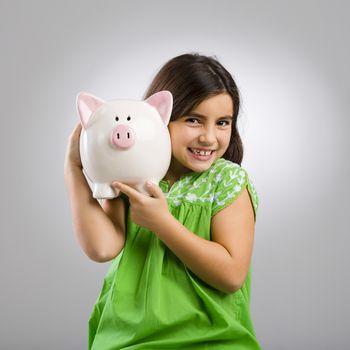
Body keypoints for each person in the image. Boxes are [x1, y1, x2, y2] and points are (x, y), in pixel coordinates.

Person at [64, 52, 262, 349]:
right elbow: (103, 247)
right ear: (160, 119)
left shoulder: (226, 180)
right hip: (130, 339)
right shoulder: (132, 174)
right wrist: (74, 167)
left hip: (212, 340)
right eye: (194, 120)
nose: (209, 137)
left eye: (222, 123)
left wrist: (162, 223)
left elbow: (231, 274)